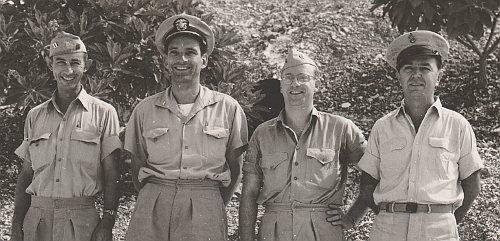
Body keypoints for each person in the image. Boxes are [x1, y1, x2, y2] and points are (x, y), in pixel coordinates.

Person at [123, 14, 248, 241]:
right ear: (166, 61)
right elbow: (137, 167)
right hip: (153, 204)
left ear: (204, 60)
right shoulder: (145, 110)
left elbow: (236, 167)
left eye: (190, 52)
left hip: (205, 205)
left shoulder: (227, 108)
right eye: (174, 52)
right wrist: (157, 196)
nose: (182, 59)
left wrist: (211, 203)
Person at [354, 30, 483, 240]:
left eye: (425, 68)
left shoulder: (457, 125)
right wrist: (392, 215)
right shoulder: (382, 127)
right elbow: (367, 187)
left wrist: (446, 220)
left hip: (439, 231)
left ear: (438, 76)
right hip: (388, 231)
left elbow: (472, 186)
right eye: (408, 69)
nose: (416, 75)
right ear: (399, 76)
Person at [239, 49, 367, 241]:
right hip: (274, 233)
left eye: (303, 77)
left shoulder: (340, 128)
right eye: (288, 78)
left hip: (323, 232)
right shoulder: (263, 134)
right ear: (281, 86)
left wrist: (353, 217)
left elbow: (373, 173)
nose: (295, 84)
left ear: (317, 84)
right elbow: (249, 193)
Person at [10, 32, 122, 241]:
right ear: (50, 65)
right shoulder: (35, 115)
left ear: (85, 65)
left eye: (75, 63)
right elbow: (26, 174)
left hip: (82, 220)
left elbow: (112, 173)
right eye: (60, 62)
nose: (68, 70)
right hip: (37, 220)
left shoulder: (104, 113)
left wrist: (108, 222)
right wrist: (17, 223)